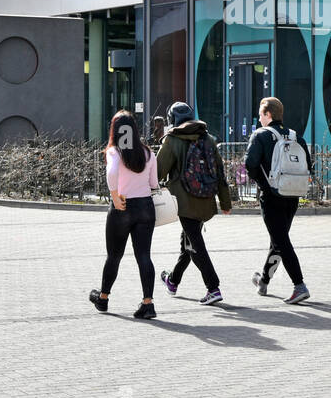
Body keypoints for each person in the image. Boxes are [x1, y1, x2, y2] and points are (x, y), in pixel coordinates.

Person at [157, 101, 231, 305]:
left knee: (195, 244)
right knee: (189, 242)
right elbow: (220, 173)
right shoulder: (208, 139)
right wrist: (225, 203)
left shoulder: (172, 140)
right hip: (206, 199)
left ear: (172, 120)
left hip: (183, 203)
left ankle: (213, 287)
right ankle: (173, 280)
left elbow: (157, 172)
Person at [90, 111, 159, 319]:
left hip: (123, 207)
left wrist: (114, 195)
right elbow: (154, 184)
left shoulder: (114, 151)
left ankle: (103, 298)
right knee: (144, 256)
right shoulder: (148, 153)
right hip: (146, 207)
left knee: (114, 256)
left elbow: (112, 173)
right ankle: (148, 303)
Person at [245, 97, 311, 304]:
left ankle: (299, 285)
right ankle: (263, 281)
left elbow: (250, 164)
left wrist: (263, 183)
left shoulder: (261, 135)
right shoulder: (295, 137)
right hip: (292, 195)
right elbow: (308, 164)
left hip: (272, 196)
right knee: (279, 239)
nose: (259, 117)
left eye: (260, 114)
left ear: (268, 115)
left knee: (281, 241)